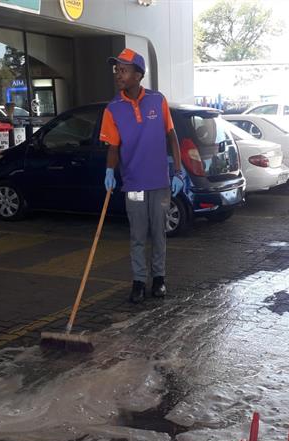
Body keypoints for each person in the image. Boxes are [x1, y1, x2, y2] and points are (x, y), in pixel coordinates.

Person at [99, 49, 185, 304]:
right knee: (137, 235)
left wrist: (178, 171)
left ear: (138, 74)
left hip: (159, 183)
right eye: (116, 70)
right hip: (134, 184)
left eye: (123, 70)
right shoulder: (113, 109)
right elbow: (113, 147)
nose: (118, 75)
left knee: (158, 233)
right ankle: (138, 281)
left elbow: (171, 136)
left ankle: (159, 279)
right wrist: (109, 171)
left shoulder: (158, 100)